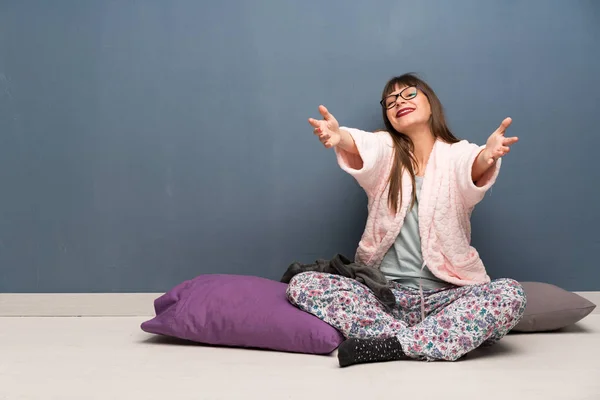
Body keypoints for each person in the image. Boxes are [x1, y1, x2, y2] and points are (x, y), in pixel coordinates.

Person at [286, 73, 527, 367]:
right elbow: (364, 145)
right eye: (390, 101)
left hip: (447, 299)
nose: (399, 101)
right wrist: (341, 137)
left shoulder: (457, 154)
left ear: (430, 101)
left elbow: (472, 167)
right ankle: (426, 340)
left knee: (510, 294)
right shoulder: (386, 150)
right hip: (385, 296)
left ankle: (394, 345)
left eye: (409, 94)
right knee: (303, 284)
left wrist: (487, 155)